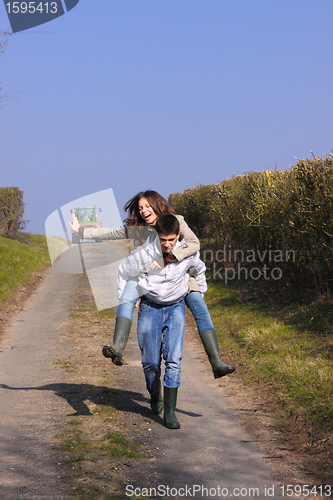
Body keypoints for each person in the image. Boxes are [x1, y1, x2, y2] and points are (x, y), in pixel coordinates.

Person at [69, 190, 235, 379]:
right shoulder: (140, 228)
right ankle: (117, 347)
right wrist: (81, 231)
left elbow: (194, 243)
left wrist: (171, 257)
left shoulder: (177, 220)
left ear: (157, 205)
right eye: (140, 208)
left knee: (199, 305)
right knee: (127, 295)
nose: (144, 211)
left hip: (181, 275)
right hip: (151, 279)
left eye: (147, 206)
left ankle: (217, 363)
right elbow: (111, 233)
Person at [118, 214, 207, 429]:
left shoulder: (188, 253)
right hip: (150, 307)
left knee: (174, 359)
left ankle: (169, 412)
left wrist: (197, 294)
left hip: (176, 307)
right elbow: (124, 272)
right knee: (150, 363)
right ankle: (154, 392)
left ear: (178, 235)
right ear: (156, 236)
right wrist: (129, 297)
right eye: (163, 240)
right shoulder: (145, 254)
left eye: (171, 240)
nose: (167, 245)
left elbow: (199, 271)